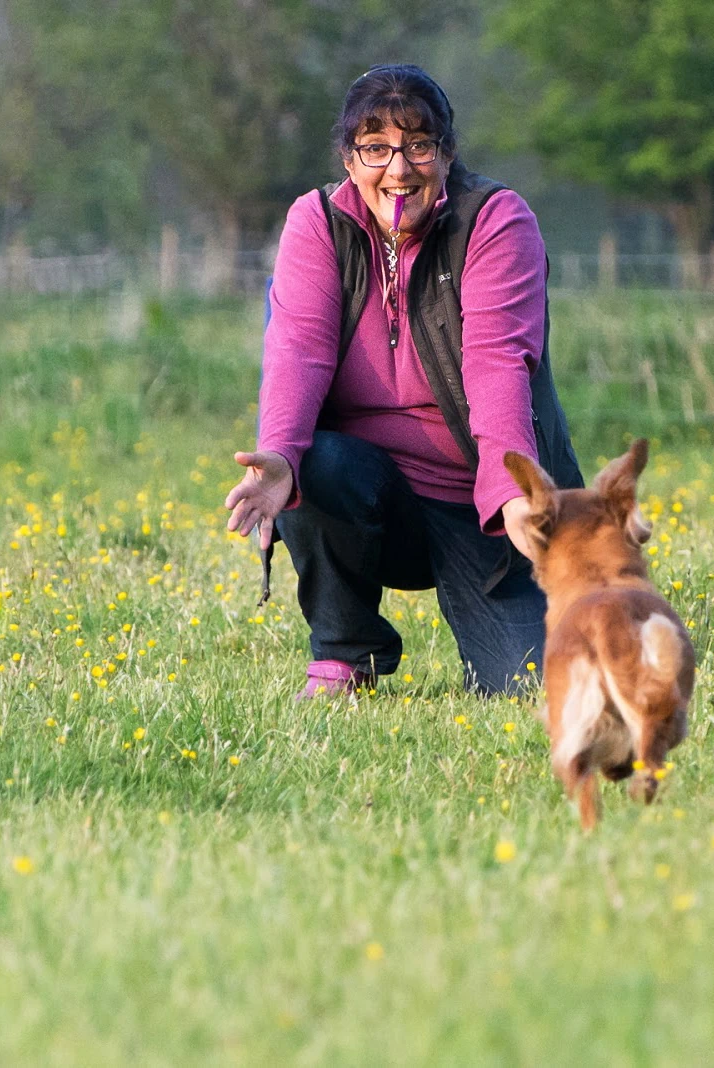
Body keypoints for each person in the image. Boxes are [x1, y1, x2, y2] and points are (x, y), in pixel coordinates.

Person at [225, 63, 582, 697]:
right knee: (315, 462)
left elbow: (497, 363)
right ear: (349, 158)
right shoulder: (316, 222)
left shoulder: (494, 221)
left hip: (481, 507)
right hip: (367, 500)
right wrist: (280, 455)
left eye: (418, 145)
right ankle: (345, 654)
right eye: (376, 148)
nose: (398, 168)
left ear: (447, 153)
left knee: (527, 685)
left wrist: (514, 493)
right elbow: (296, 352)